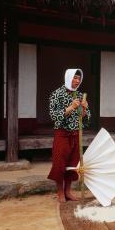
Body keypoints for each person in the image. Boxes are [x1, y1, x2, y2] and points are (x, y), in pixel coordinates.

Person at [47, 69, 91, 202]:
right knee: (60, 163)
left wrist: (84, 109)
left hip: (76, 134)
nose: (77, 81)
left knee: (73, 163)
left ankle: (68, 191)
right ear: (68, 77)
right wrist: (71, 107)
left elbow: (85, 118)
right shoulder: (56, 94)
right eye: (74, 78)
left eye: (79, 78)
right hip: (62, 134)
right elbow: (54, 116)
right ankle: (60, 192)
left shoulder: (79, 95)